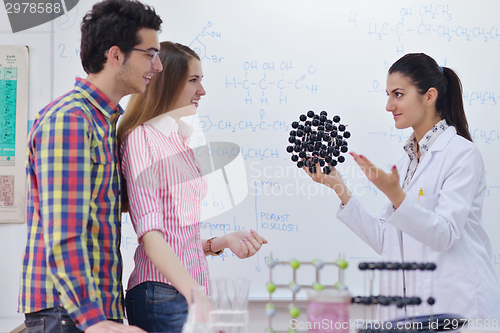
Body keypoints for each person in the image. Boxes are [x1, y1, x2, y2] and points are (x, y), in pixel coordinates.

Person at [306, 53, 500, 320]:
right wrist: (339, 188)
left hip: (456, 306)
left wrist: (396, 195)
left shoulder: (461, 154)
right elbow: (388, 241)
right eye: (388, 95)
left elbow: (444, 235)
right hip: (409, 310)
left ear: (429, 96)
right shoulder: (406, 160)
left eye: (398, 94)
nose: (388, 105)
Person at [18, 1, 163, 332]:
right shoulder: (71, 120)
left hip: (88, 309)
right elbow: (65, 232)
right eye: (150, 53)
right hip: (69, 313)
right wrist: (95, 321)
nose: (158, 66)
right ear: (115, 55)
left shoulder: (103, 122)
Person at [118, 41, 268, 333]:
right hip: (161, 294)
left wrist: (219, 243)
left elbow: (177, 239)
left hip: (182, 292)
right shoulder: (141, 138)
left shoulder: (179, 140)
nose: (202, 91)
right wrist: (197, 298)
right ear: (167, 82)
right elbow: (151, 235)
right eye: (193, 80)